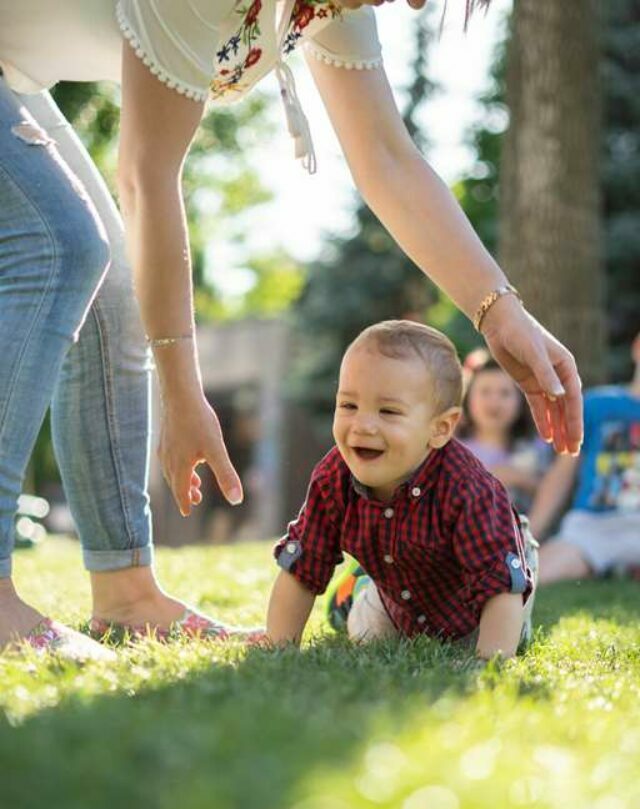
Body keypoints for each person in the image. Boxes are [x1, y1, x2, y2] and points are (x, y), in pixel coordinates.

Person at [0, 1, 580, 656]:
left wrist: (500, 311)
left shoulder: (337, 4)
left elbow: (386, 158)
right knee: (59, 244)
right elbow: (146, 173)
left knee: (110, 288)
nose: (417, 4)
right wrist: (182, 393)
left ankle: (127, 596)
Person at [266, 321, 538, 659]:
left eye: (388, 411)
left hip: (479, 605)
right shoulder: (333, 478)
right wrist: (277, 647)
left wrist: (491, 664)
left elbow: (500, 585)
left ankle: (361, 587)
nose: (362, 426)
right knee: (369, 636)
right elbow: (302, 565)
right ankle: (357, 592)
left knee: (507, 638)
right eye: (349, 405)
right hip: (399, 599)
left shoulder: (469, 489)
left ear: (440, 429)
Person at [529, 332, 640, 585]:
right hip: (593, 526)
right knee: (532, 577)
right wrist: (529, 534)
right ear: (637, 348)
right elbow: (562, 474)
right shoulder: (596, 405)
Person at [458, 349, 553, 513]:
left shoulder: (538, 446)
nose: (494, 402)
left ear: (521, 402)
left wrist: (519, 478)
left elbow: (556, 492)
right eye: (485, 392)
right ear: (468, 398)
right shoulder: (453, 449)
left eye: (505, 393)